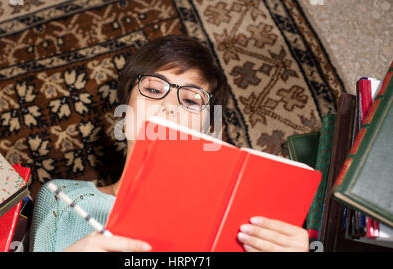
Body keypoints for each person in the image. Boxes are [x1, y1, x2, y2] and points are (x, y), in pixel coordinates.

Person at [29, 35, 309, 252]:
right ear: (124, 112)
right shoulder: (62, 197)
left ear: (209, 130)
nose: (169, 105)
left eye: (190, 99)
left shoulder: (248, 223)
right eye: (152, 90)